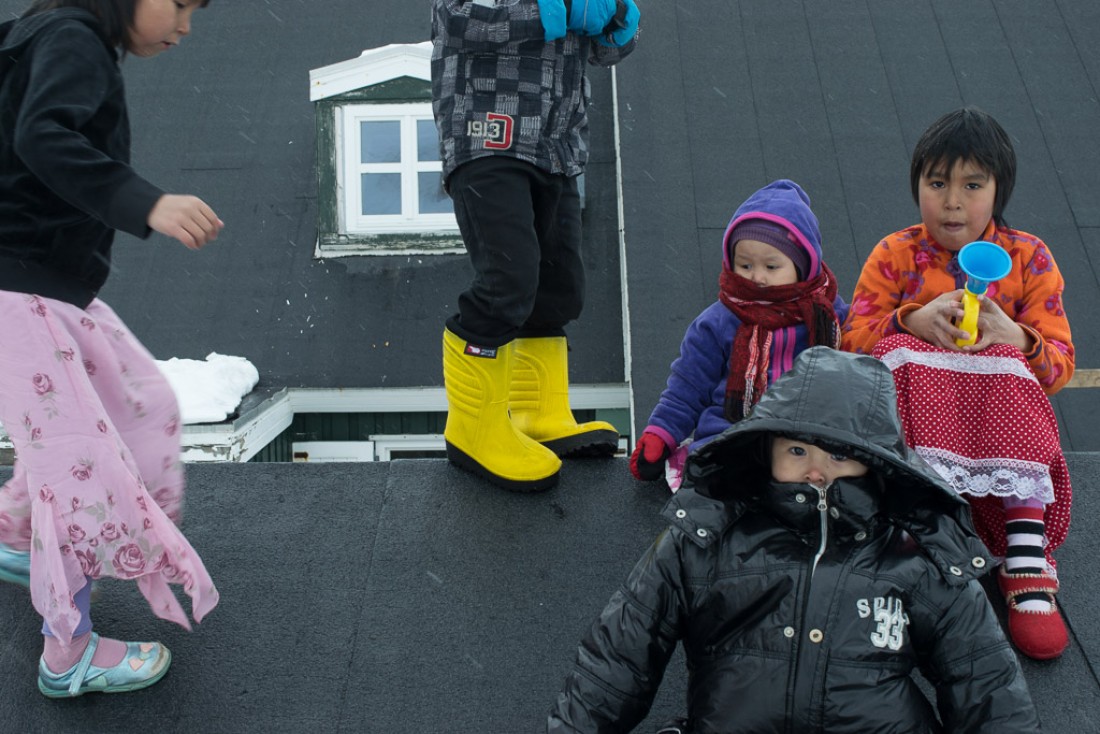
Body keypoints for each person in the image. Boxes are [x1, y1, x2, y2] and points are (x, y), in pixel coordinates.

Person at [547, 347, 1039, 733]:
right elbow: (619, 656)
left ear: (878, 464)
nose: (817, 470)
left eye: (841, 455)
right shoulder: (705, 537)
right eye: (798, 449)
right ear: (765, 449)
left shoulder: (917, 555)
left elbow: (985, 683)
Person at [0, 0, 221, 698]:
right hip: (19, 287)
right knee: (80, 468)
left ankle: (13, 534)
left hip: (51, 285)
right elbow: (43, 137)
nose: (186, 26)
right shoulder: (71, 38)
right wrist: (142, 201)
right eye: (180, 3)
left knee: (142, 400)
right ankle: (68, 655)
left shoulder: (47, 32)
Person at [842, 106, 1074, 660]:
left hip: (998, 436)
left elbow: (1060, 366)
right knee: (896, 347)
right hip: (917, 444)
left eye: (972, 185)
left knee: (1012, 362)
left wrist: (1015, 338)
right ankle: (909, 530)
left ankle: (1024, 558)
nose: (951, 201)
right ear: (917, 185)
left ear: (999, 191)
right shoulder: (896, 253)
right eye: (937, 182)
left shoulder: (1029, 256)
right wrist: (908, 320)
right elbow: (848, 345)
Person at [431, 0, 640, 492]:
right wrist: (553, 10)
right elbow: (458, 20)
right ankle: (473, 430)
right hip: (487, 136)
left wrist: (617, 23)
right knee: (508, 281)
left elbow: (605, 53)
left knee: (559, 286)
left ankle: (538, 414)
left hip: (556, 144)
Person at [629, 179, 848, 490]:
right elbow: (688, 386)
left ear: (804, 266)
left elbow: (865, 369)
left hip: (810, 439)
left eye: (772, 266)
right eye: (745, 265)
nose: (757, 277)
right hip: (732, 432)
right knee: (730, 485)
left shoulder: (834, 317)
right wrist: (661, 433)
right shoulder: (718, 321)